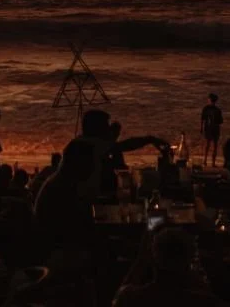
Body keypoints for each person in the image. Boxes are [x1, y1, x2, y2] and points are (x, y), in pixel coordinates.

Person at [113, 227, 230, 307]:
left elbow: (118, 299)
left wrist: (140, 260)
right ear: (189, 260)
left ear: (153, 258)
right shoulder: (205, 301)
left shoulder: (131, 298)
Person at [73, 109, 168, 200]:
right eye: (106, 126)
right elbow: (124, 145)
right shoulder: (85, 145)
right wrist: (150, 139)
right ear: (97, 129)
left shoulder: (91, 145)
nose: (108, 130)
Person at [33, 140, 96, 268]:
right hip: (59, 253)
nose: (93, 167)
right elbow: (79, 230)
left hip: (53, 247)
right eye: (90, 162)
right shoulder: (63, 189)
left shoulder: (60, 182)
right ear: (79, 164)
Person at [201, 93, 223, 167]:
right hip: (215, 129)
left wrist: (201, 128)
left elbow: (202, 119)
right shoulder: (217, 110)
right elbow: (220, 121)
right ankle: (212, 162)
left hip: (209, 128)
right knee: (214, 146)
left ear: (210, 99)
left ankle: (205, 160)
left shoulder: (206, 108)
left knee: (208, 145)